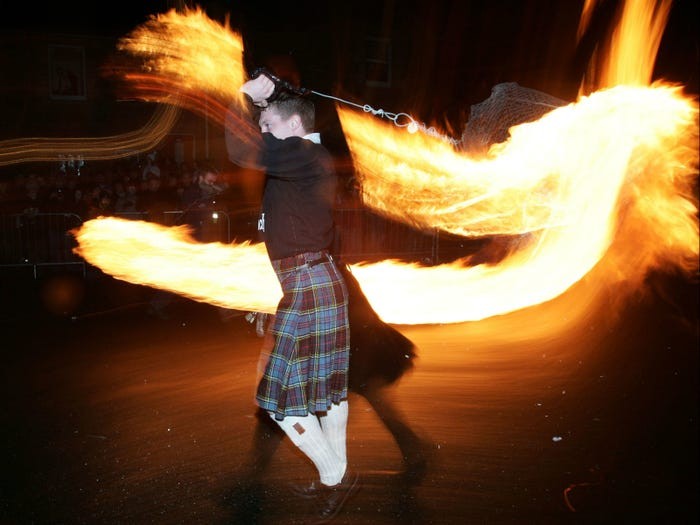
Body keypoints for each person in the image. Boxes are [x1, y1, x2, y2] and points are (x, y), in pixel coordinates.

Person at [225, 72, 358, 522]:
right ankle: (335, 480)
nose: (264, 135)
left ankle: (332, 470)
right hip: (311, 280)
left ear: (295, 129)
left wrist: (245, 100)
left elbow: (243, 149)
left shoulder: (304, 154)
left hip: (308, 283)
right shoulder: (307, 159)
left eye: (270, 127)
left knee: (278, 401)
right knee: (327, 391)